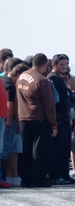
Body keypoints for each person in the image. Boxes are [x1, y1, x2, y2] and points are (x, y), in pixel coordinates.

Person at [16, 53, 57, 188]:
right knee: (40, 151)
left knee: (26, 150)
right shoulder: (42, 80)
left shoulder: (21, 77)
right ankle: (38, 179)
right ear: (45, 64)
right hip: (39, 119)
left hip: (23, 117)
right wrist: (53, 124)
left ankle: (26, 179)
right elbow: (49, 105)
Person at [47, 54, 75, 185]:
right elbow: (58, 103)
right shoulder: (53, 79)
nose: (64, 67)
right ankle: (56, 175)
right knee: (58, 150)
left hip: (66, 119)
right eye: (62, 65)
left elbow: (72, 96)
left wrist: (71, 117)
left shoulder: (61, 79)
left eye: (66, 64)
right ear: (54, 65)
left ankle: (64, 174)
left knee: (65, 149)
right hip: (59, 119)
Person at [0, 59, 26, 187]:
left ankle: (12, 176)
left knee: (13, 150)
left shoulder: (6, 82)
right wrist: (10, 121)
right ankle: (9, 176)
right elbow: (11, 105)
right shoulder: (9, 84)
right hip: (9, 121)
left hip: (11, 120)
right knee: (7, 150)